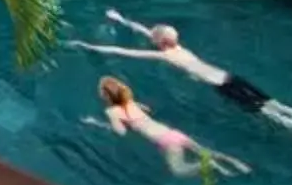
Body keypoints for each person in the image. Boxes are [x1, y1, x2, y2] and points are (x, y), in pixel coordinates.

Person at [73, 10, 292, 153]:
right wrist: (121, 19)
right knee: (278, 106)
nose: (151, 39)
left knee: (274, 116)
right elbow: (150, 32)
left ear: (159, 43)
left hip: (225, 88)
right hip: (232, 77)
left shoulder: (167, 57)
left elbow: (125, 51)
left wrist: (89, 46)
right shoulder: (179, 48)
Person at [97, 76, 249, 178]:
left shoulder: (111, 111)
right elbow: (147, 109)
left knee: (178, 170)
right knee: (208, 152)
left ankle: (208, 166)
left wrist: (106, 125)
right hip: (174, 133)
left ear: (106, 96)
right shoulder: (132, 102)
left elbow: (121, 132)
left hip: (165, 141)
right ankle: (238, 164)